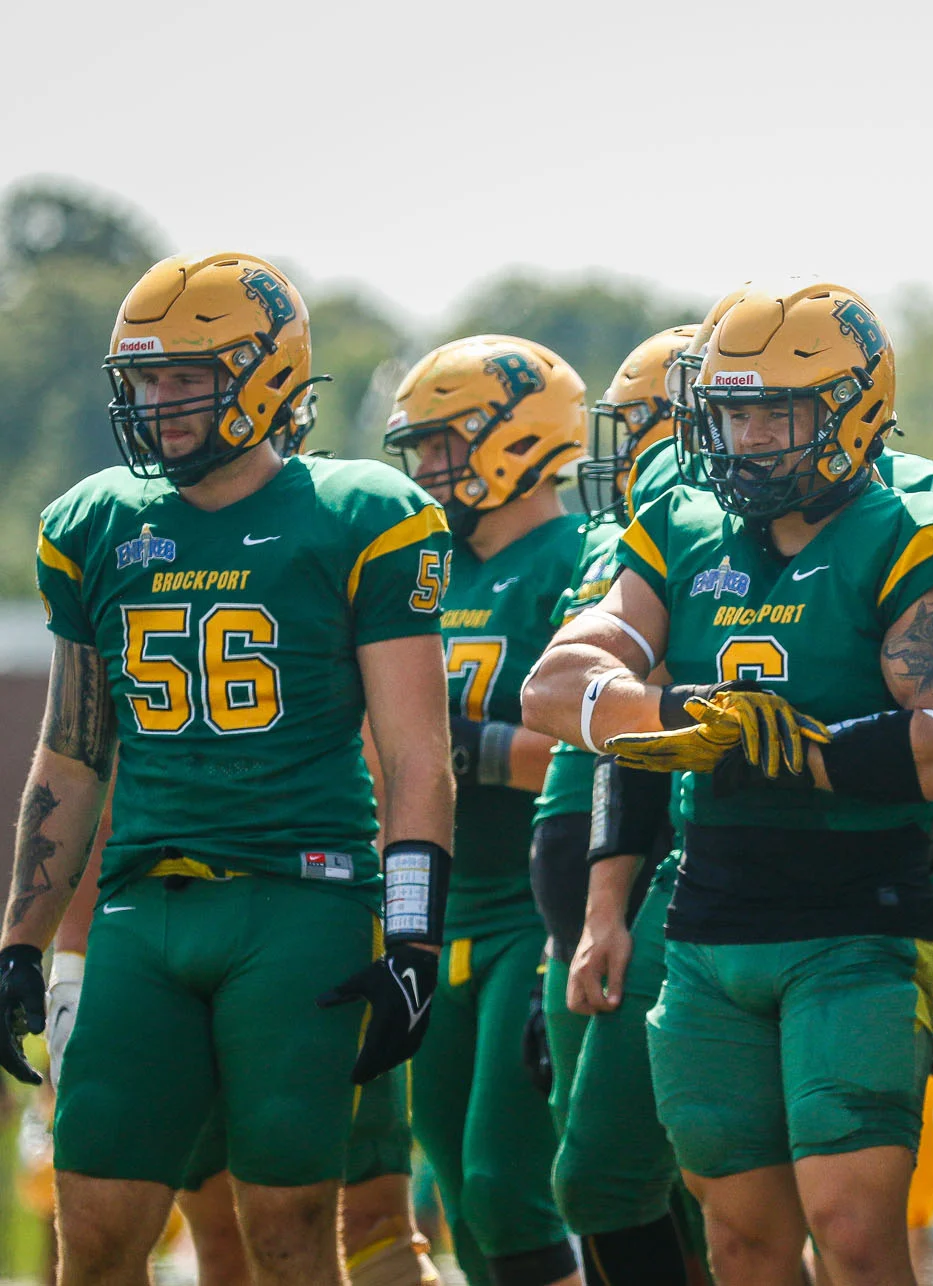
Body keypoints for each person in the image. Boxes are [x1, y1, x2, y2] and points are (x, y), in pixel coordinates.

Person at [0, 251, 454, 1286]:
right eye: (145, 380)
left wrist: (417, 931)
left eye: (182, 378)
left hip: (302, 900)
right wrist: (21, 940)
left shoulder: (357, 516)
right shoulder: (96, 522)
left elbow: (417, 758)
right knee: (96, 1226)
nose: (156, 403)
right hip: (141, 913)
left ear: (265, 373)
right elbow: (73, 748)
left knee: (291, 1234)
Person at [521, 279, 933, 1286]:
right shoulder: (683, 525)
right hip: (709, 927)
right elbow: (555, 683)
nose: (750, 438)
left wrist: (805, 748)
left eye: (779, 411)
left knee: (855, 1232)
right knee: (742, 1245)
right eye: (733, 412)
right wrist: (693, 717)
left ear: (855, 408)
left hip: (856, 916)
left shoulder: (910, 528)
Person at [381, 335, 588, 1286]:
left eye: (444, 443)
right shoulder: (427, 569)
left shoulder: (581, 559)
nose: (428, 469)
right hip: (437, 911)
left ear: (517, 434)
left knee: (508, 1181)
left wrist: (459, 746)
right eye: (418, 448)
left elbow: (600, 747)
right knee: (459, 1195)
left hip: (529, 910)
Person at [536, 323, 705, 1286]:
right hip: (607, 904)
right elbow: (602, 729)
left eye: (645, 424)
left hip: (713, 894)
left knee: (736, 1199)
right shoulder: (633, 547)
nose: (630, 451)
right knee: (592, 1179)